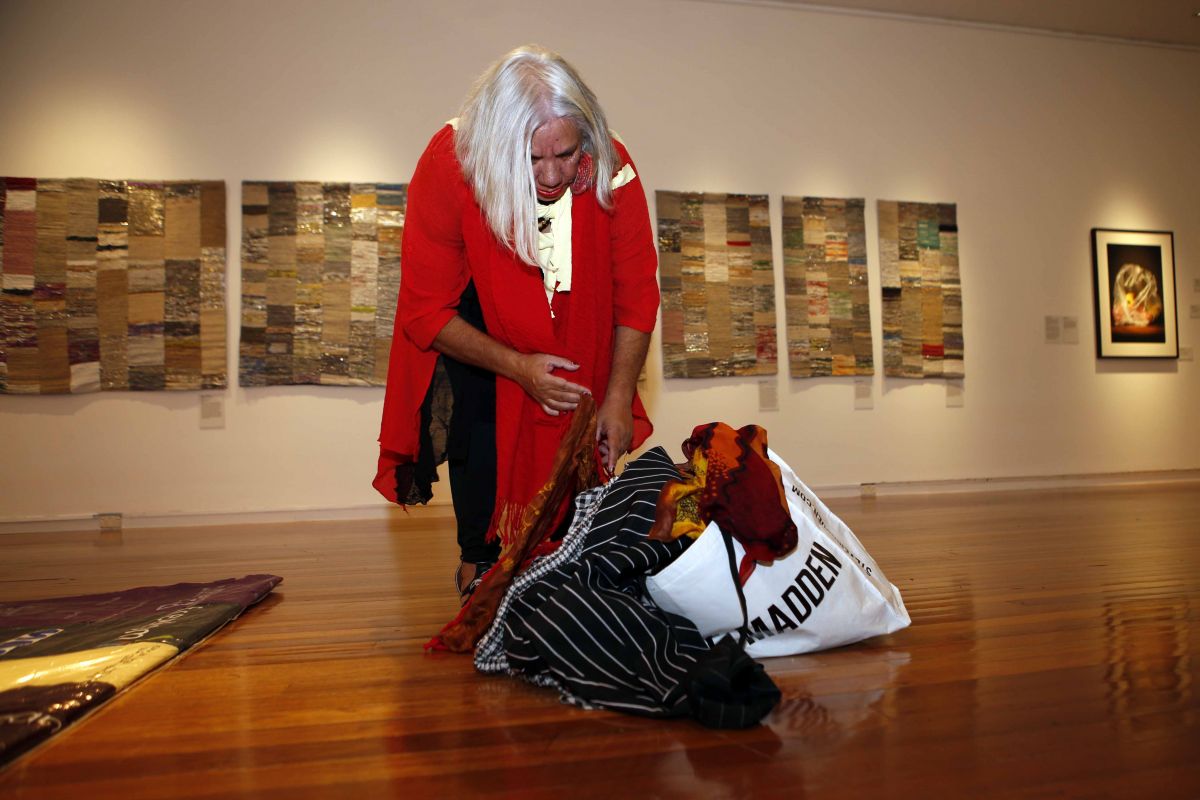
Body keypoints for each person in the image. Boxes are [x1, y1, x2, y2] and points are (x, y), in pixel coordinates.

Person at [374, 45, 660, 602]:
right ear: (498, 145)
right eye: (532, 159)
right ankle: (479, 558)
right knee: (479, 417)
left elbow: (635, 291)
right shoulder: (450, 161)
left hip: (576, 317)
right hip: (478, 312)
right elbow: (427, 310)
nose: (552, 175)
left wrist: (619, 396)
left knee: (578, 413)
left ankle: (563, 545)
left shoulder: (610, 162)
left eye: (566, 155)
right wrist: (518, 367)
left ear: (587, 137)